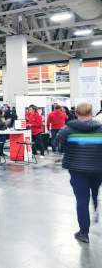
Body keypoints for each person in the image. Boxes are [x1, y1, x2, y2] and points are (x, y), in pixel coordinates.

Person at [57, 103, 102, 243]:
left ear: (76, 113)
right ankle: (95, 208)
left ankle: (84, 233)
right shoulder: (100, 129)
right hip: (98, 169)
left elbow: (58, 146)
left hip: (77, 170)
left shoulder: (67, 130)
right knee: (95, 192)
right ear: (92, 112)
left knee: (82, 200)